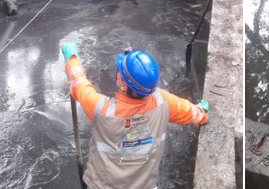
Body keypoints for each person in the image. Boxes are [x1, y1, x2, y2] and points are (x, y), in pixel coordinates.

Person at [61, 43, 208, 189]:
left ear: (123, 84)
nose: (117, 72)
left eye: (119, 70)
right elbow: (190, 112)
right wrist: (200, 112)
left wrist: (71, 57)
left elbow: (78, 83)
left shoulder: (101, 109)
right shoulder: (163, 101)